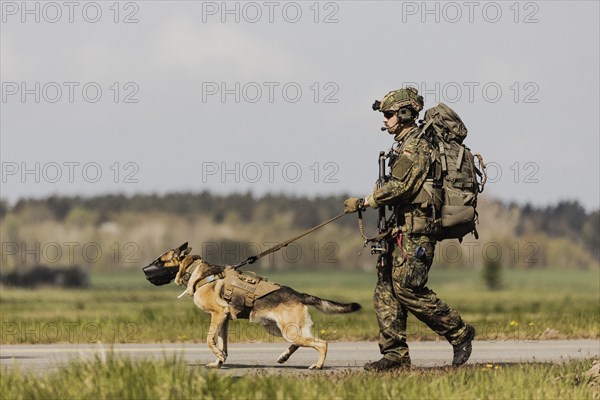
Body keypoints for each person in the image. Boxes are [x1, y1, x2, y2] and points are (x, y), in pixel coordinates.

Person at [344, 87, 475, 372]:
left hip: (417, 232)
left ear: (404, 114)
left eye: (389, 114)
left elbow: (401, 186)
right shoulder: (404, 144)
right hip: (400, 229)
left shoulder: (416, 145)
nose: (386, 120)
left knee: (408, 289)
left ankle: (459, 331)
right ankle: (395, 355)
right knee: (386, 289)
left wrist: (365, 201)